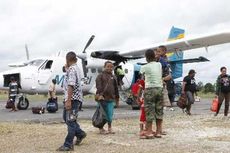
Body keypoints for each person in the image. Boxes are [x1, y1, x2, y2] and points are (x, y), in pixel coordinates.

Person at [57, 52, 86, 151]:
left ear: (67, 60)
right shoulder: (75, 68)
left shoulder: (72, 69)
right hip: (74, 99)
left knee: (70, 121)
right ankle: (80, 134)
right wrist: (67, 69)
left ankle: (68, 144)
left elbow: (71, 85)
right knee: (66, 118)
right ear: (76, 60)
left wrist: (68, 100)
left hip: (73, 99)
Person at [139, 49, 163, 139]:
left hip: (149, 89)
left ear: (146, 58)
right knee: (159, 110)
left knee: (149, 110)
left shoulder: (144, 67)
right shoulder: (159, 64)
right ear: (154, 56)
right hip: (159, 88)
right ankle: (158, 131)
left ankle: (149, 131)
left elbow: (141, 75)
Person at [95, 61, 119, 134]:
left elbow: (116, 89)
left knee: (109, 115)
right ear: (104, 67)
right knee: (101, 114)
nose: (109, 68)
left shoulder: (114, 77)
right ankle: (101, 128)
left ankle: (109, 127)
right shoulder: (100, 76)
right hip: (102, 99)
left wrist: (117, 99)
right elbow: (98, 86)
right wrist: (99, 95)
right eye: (108, 66)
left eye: (111, 67)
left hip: (111, 99)